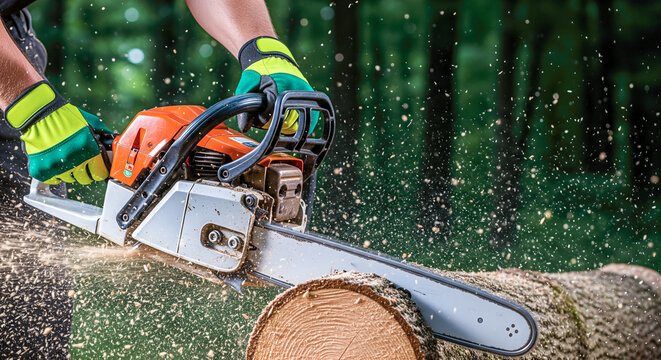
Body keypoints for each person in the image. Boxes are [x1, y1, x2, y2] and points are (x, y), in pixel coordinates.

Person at [0, 0, 316, 357]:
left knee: (32, 310)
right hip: (10, 78)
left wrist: (263, 49)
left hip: (12, 50)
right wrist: (30, 103)